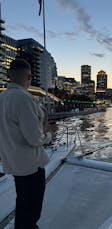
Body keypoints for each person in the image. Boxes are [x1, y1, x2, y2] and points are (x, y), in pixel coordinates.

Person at [0, 58, 52, 229]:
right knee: (31, 211)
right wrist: (49, 134)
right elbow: (35, 139)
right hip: (31, 166)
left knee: (22, 203)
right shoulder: (24, 99)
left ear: (8, 75)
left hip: (13, 163)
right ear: (29, 77)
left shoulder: (2, 97)